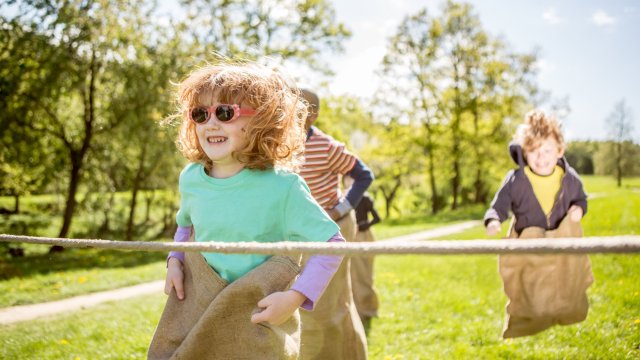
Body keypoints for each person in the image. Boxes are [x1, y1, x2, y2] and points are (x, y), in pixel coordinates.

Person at [148, 62, 345, 360]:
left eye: (225, 113)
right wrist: (174, 259)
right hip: (198, 306)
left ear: (263, 122)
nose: (210, 124)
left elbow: (332, 245)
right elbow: (185, 226)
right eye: (200, 114)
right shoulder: (191, 178)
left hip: (255, 318)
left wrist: (294, 297)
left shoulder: (283, 187)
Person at [484, 109, 593, 338]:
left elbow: (581, 199)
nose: (541, 158)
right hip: (529, 243)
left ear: (559, 150)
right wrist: (494, 220)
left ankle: (567, 311)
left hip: (561, 241)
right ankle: (529, 319)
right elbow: (499, 205)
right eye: (533, 151)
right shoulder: (516, 180)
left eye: (547, 150)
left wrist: (578, 209)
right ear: (524, 152)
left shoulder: (569, 178)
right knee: (530, 290)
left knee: (566, 281)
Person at [298, 89, 373, 359]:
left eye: (298, 106)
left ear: (313, 115)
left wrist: (339, 210)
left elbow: (364, 175)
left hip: (334, 226)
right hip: (304, 230)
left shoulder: (325, 145)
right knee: (315, 299)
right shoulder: (281, 143)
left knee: (328, 301)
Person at [351, 192, 381, 333]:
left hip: (364, 237)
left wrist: (362, 225)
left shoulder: (365, 198)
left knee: (365, 275)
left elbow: (377, 219)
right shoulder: (348, 197)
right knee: (357, 275)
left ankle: (369, 309)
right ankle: (361, 310)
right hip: (356, 237)